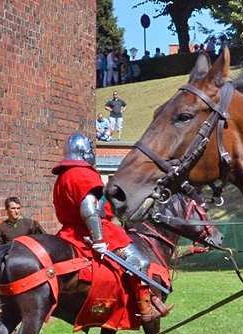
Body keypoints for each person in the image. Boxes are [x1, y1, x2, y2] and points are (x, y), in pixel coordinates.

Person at [52, 133, 172, 321]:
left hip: (68, 232)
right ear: (84, 151)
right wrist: (99, 239)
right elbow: (90, 209)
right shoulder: (82, 173)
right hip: (96, 230)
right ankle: (146, 308)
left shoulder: (64, 174)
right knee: (141, 262)